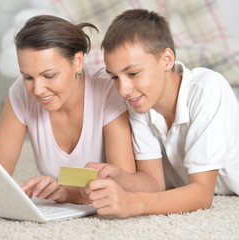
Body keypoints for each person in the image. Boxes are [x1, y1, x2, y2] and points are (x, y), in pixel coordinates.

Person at [83, 9, 239, 218]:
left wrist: (134, 203)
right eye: (115, 77)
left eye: (133, 73)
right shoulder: (140, 102)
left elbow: (202, 194)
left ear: (166, 59)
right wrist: (119, 177)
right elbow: (154, 183)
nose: (123, 89)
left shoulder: (207, 89)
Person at [0, 15, 135, 204]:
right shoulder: (20, 92)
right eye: (28, 77)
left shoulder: (108, 90)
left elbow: (122, 187)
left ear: (77, 62)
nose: (37, 90)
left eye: (49, 75)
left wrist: (67, 193)